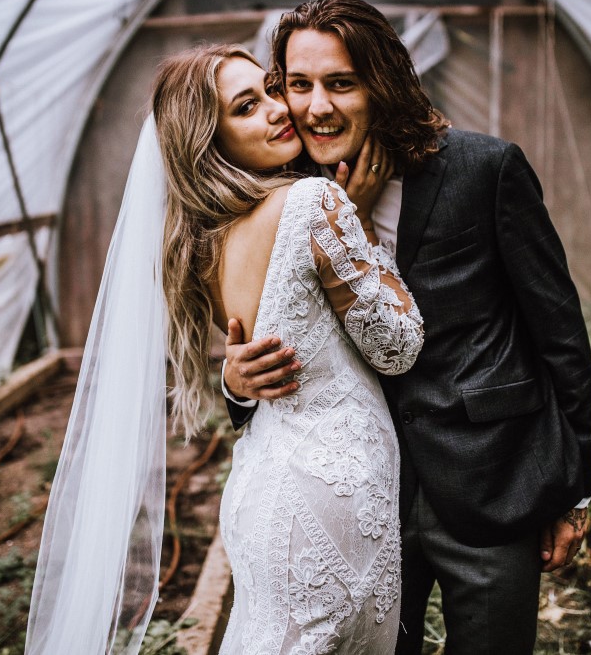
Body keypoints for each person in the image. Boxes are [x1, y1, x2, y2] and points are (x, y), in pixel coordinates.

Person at [222, 0, 591, 655]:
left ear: (383, 83)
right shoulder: (284, 194)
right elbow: (247, 323)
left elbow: (559, 332)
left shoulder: (486, 169)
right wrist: (233, 380)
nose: (317, 107)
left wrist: (573, 487)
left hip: (490, 481)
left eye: (341, 83)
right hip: (362, 503)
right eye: (299, 85)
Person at [25, 43, 424, 654]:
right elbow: (397, 349)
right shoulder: (315, 204)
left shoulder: (200, 249)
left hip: (262, 489)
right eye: (246, 108)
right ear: (211, 142)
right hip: (333, 495)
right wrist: (362, 226)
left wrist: (234, 383)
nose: (276, 109)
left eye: (267, 90)